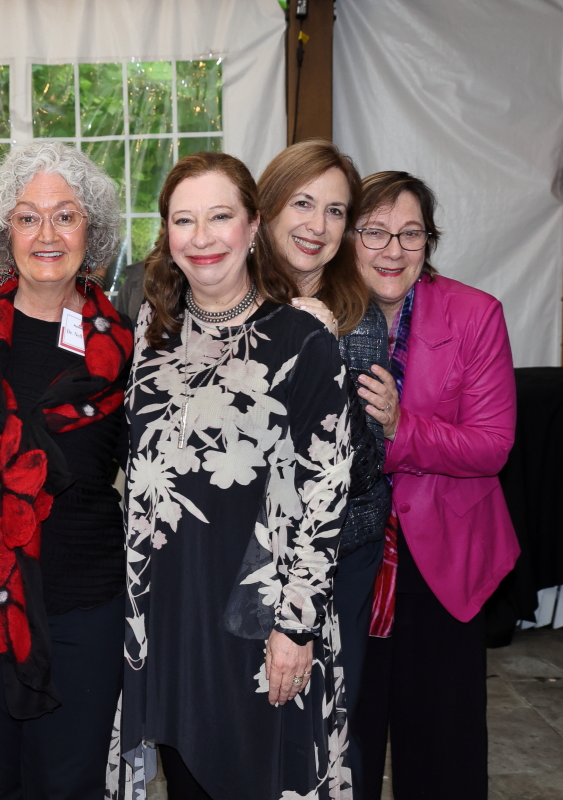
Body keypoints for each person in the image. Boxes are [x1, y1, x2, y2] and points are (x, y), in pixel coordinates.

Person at [120, 151, 351, 800]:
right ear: (167, 234)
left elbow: (325, 493)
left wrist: (296, 627)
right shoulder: (150, 333)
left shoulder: (302, 339)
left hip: (260, 619)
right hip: (170, 614)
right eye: (183, 220)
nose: (202, 237)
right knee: (188, 782)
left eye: (219, 217)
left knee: (256, 779)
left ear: (253, 227)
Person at [0, 141, 132, 799]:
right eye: (28, 217)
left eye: (65, 216)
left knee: (70, 786)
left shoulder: (128, 342)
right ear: (4, 231)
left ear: (91, 230)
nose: (47, 234)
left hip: (82, 608)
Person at [347, 171, 518, 800]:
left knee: (442, 748)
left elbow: (493, 445)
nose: (393, 251)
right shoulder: (316, 313)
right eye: (375, 232)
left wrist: (401, 427)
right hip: (346, 554)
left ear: (430, 241)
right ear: (348, 238)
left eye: (411, 234)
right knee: (347, 743)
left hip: (445, 557)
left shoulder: (475, 315)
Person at [256, 139, 392, 789]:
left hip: (337, 551)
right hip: (240, 550)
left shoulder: (358, 320)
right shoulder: (227, 296)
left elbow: (361, 465)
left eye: (336, 212)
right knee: (244, 723)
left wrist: (319, 351)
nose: (318, 225)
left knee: (324, 721)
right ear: (267, 207)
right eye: (303, 203)